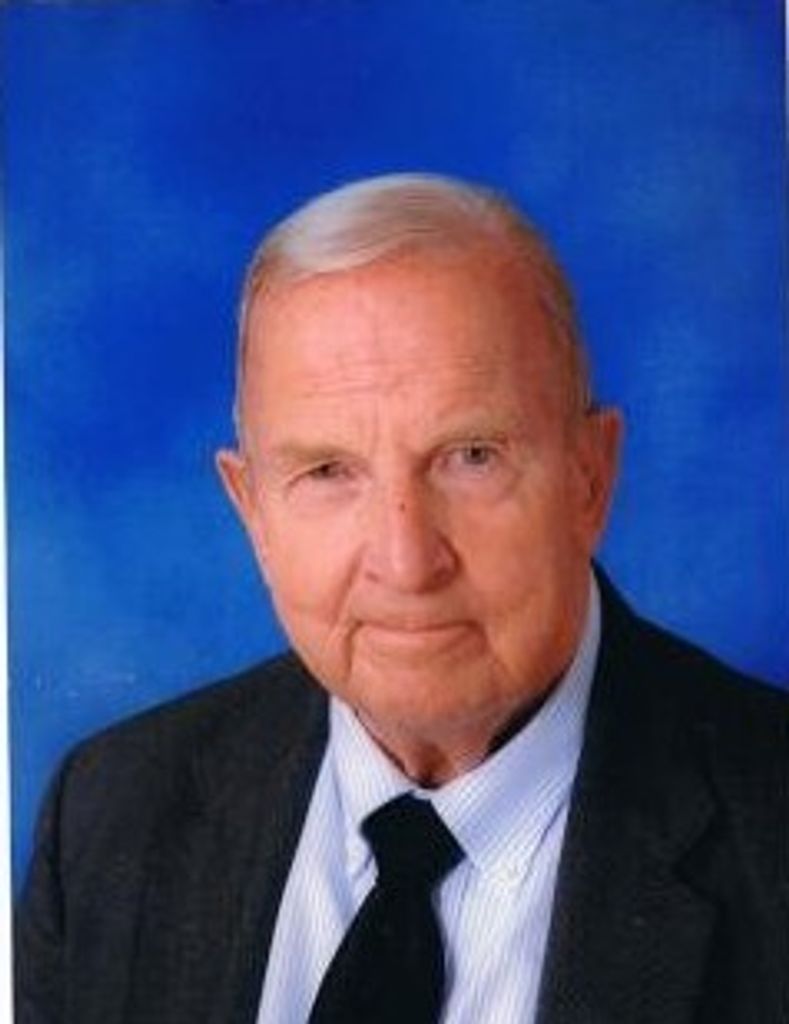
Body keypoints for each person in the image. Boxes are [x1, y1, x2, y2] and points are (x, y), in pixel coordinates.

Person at [15, 173, 788, 1024]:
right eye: (327, 472)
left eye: (471, 457)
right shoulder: (110, 815)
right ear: (252, 510)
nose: (406, 562)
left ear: (589, 479)